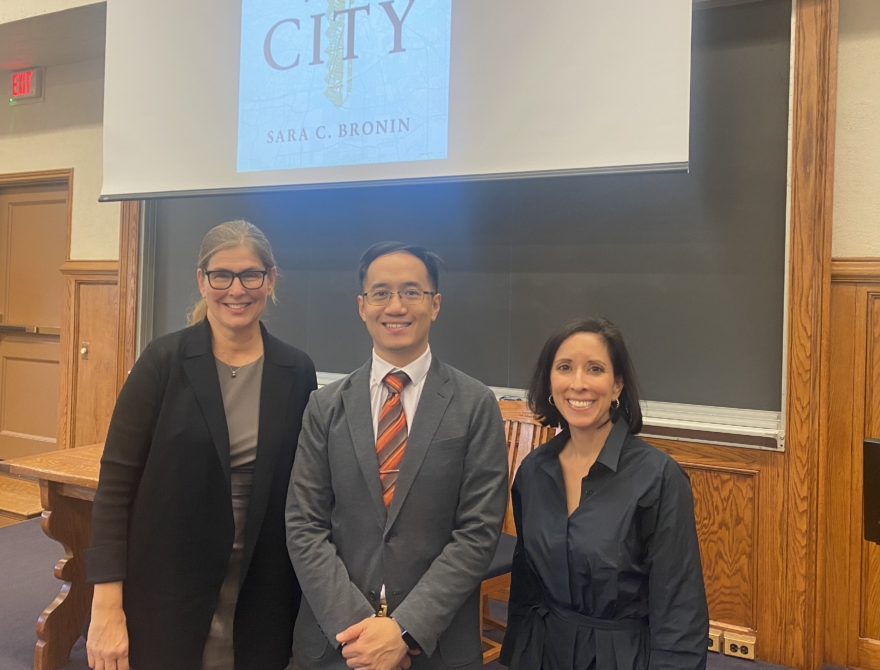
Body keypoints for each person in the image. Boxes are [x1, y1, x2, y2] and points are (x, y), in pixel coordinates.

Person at [84, 220, 317, 670]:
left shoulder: (297, 370)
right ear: (201, 280)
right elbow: (114, 488)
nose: (237, 289)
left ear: (270, 279)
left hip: (261, 586)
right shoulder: (162, 362)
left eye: (251, 275)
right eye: (221, 276)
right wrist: (106, 604)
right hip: (167, 582)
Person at [285, 242, 509, 670]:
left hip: (434, 645)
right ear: (361, 305)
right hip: (337, 645)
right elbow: (304, 526)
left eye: (411, 291)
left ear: (435, 304)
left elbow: (477, 532)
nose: (396, 306)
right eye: (381, 293)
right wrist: (361, 631)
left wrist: (404, 630)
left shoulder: (475, 404)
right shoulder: (325, 407)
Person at [500, 318, 709, 670]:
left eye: (595, 369)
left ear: (617, 386)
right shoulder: (533, 473)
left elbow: (679, 609)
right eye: (565, 367)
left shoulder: (658, 478)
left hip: (624, 656)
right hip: (546, 651)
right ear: (550, 381)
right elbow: (527, 587)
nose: (578, 384)